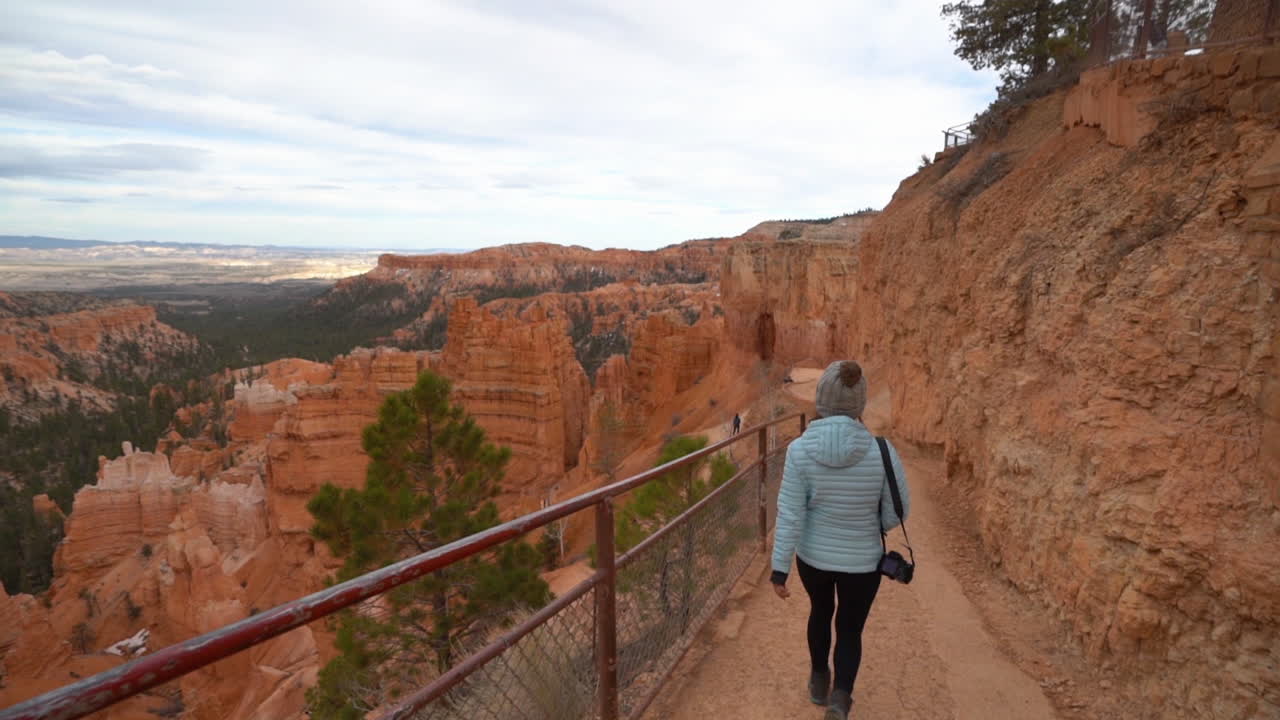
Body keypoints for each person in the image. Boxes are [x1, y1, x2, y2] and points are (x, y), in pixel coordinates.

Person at [769, 360, 909, 720]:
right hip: (862, 563)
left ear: (821, 399)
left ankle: (819, 679)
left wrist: (779, 570)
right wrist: (871, 523)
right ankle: (840, 698)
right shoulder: (882, 450)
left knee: (820, 611)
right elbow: (898, 511)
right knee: (850, 628)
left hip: (813, 559)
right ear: (859, 402)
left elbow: (789, 514)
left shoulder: (799, 451)